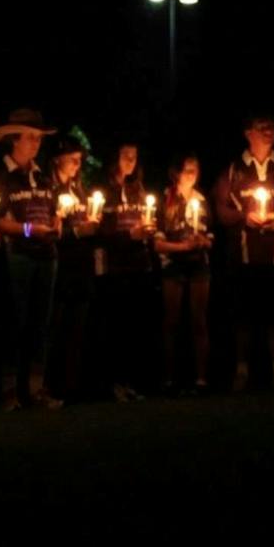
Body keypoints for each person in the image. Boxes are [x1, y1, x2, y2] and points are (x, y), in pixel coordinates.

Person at [211, 114, 274, 393]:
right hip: (242, 258)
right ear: (248, 133)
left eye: (272, 128)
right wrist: (244, 216)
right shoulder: (233, 170)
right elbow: (221, 210)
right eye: (262, 128)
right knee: (243, 318)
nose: (268, 133)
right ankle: (241, 373)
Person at [0, 109, 63, 411]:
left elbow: (55, 208)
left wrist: (56, 224)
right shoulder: (2, 177)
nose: (36, 144)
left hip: (47, 255)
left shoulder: (42, 176)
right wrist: (30, 230)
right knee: (16, 321)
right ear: (14, 141)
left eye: (39, 139)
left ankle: (35, 387)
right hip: (18, 256)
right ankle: (10, 390)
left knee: (40, 324)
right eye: (31, 138)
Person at [93, 142, 157, 402]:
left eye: (135, 155)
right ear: (114, 158)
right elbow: (100, 230)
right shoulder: (104, 190)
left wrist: (148, 229)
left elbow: (145, 219)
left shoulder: (138, 189)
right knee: (115, 327)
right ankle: (112, 383)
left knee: (134, 327)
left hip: (138, 264)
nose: (131, 160)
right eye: (125, 155)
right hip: (115, 266)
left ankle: (132, 381)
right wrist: (129, 235)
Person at [153, 153, 213, 394]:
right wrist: (181, 247)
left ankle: (201, 378)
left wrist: (202, 242)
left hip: (198, 265)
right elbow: (157, 243)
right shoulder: (165, 200)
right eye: (187, 170)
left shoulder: (201, 200)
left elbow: (210, 238)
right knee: (171, 321)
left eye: (195, 170)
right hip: (173, 266)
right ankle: (169, 378)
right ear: (176, 173)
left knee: (199, 320)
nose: (192, 174)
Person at [46, 135, 99, 403]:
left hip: (81, 266)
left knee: (78, 327)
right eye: (72, 157)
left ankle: (72, 386)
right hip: (61, 265)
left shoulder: (79, 188)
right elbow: (52, 229)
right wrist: (78, 231)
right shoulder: (49, 189)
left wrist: (92, 224)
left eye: (80, 158)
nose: (78, 163)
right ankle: (52, 385)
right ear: (57, 158)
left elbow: (85, 221)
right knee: (57, 326)